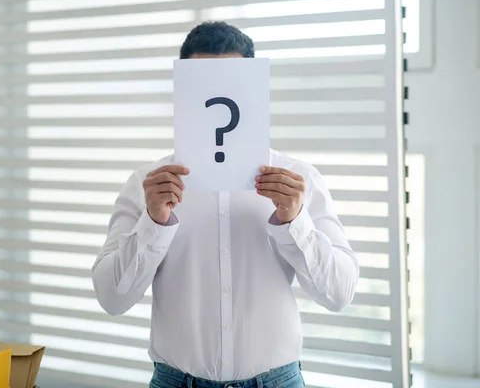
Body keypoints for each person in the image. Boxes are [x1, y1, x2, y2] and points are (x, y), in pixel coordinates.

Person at [92, 21, 358, 388]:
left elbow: (339, 293)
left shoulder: (298, 179)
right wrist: (152, 221)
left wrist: (294, 220)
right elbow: (112, 298)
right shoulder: (149, 184)